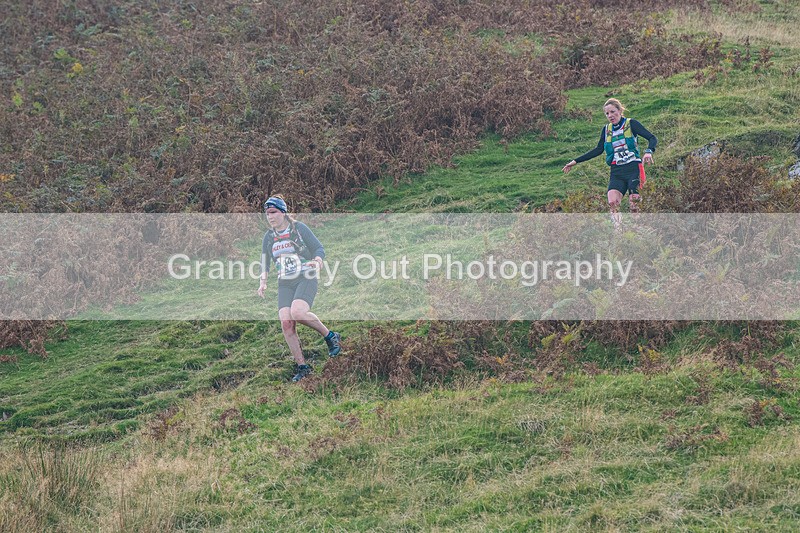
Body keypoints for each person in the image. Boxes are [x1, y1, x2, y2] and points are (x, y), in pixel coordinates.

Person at [257, 195, 341, 382]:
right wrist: (263, 281)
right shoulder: (269, 237)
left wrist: (317, 262)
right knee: (286, 322)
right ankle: (303, 367)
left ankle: (331, 336)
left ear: (283, 212)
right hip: (285, 282)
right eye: (267, 214)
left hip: (306, 276)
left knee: (298, 312)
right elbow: (265, 261)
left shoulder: (299, 228)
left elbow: (319, 248)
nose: (270, 217)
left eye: (274, 213)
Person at [562, 98, 657, 228]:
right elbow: (599, 149)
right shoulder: (606, 130)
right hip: (617, 172)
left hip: (634, 169)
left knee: (634, 206)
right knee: (613, 203)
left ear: (620, 110)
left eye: (612, 112)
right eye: (607, 114)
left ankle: (639, 232)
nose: (610, 116)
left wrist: (648, 151)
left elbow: (652, 138)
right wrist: (575, 161)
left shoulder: (631, 124)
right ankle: (618, 233)